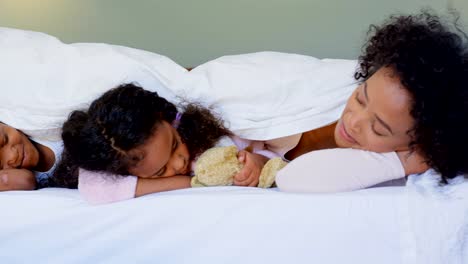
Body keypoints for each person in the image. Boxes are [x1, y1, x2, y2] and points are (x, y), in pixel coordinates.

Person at [276, 12, 468, 192]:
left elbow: (290, 178)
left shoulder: (391, 169)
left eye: (378, 129)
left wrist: (403, 162)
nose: (353, 122)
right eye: (360, 99)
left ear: (416, 146)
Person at [0, 122, 62, 191]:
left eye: (5, 139)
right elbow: (26, 181)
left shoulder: (51, 132)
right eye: (1, 165)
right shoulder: (27, 179)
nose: (13, 156)